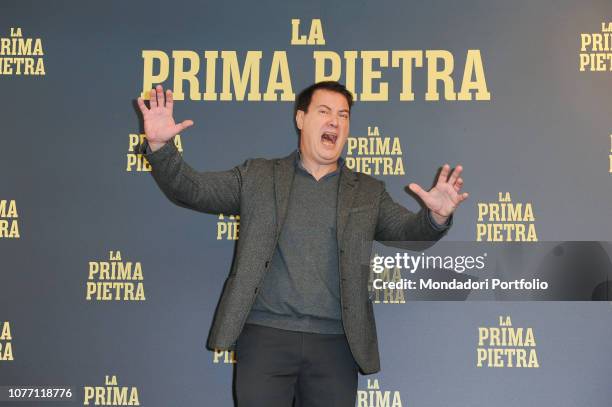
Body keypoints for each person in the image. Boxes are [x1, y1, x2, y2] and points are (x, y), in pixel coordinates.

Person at [136, 81, 468, 407]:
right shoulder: (258, 176)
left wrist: (435, 217)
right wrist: (162, 149)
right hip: (265, 338)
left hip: (336, 346)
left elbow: (410, 233)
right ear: (301, 119)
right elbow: (192, 190)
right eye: (324, 111)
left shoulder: (368, 192)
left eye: (343, 115)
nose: (334, 122)